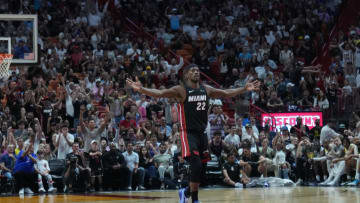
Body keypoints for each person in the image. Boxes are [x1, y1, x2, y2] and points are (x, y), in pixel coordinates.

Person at [127, 64, 260, 203]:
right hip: (188, 133)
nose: (196, 72)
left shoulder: (206, 89)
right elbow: (160, 93)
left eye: (197, 70)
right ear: (186, 75)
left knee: (201, 171)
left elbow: (225, 93)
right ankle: (194, 200)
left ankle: (185, 192)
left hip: (202, 134)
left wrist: (244, 88)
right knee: (195, 164)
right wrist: (141, 89)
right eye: (193, 71)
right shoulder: (181, 90)